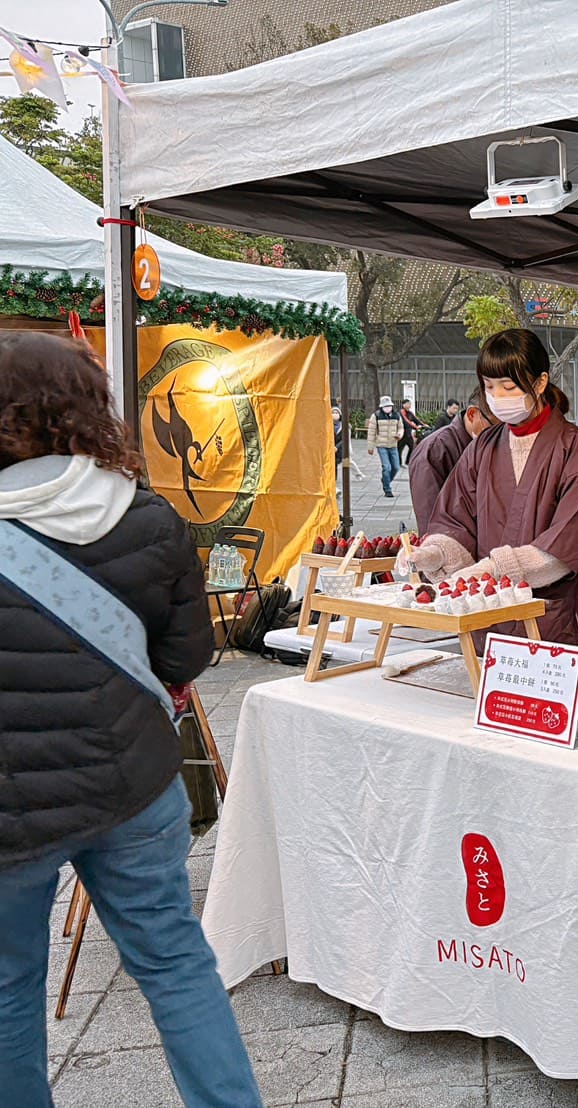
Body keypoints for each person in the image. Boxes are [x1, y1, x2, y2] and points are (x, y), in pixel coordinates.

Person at [0, 332, 262, 1107]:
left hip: (13, 810)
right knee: (177, 966)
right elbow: (187, 655)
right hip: (135, 785)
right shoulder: (149, 515)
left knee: (9, 989)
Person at [406, 330, 578, 650]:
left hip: (551, 621)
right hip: (488, 617)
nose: (497, 396)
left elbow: (567, 544)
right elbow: (456, 520)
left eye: (508, 386)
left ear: (540, 383)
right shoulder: (482, 447)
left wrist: (494, 568)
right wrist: (435, 553)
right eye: (489, 387)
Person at [409, 393, 498, 530]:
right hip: (454, 538)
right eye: (495, 427)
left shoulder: (487, 446)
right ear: (472, 414)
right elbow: (430, 516)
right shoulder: (435, 450)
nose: (500, 434)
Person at [366, 395, 403, 498]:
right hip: (381, 445)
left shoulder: (396, 415)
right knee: (386, 467)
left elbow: (401, 428)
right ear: (381, 407)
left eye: (389, 406)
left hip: (393, 444)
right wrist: (370, 447)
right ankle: (387, 489)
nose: (387, 408)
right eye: (385, 406)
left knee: (396, 467)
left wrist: (399, 435)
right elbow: (371, 432)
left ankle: (386, 480)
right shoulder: (376, 415)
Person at [398, 398, 425, 463]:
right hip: (402, 434)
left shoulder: (410, 413)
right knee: (399, 449)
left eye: (410, 404)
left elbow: (416, 420)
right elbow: (406, 422)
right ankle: (399, 463)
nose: (409, 405)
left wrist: (423, 425)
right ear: (403, 405)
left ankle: (408, 461)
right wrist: (416, 427)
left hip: (408, 434)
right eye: (408, 404)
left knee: (412, 448)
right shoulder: (401, 412)